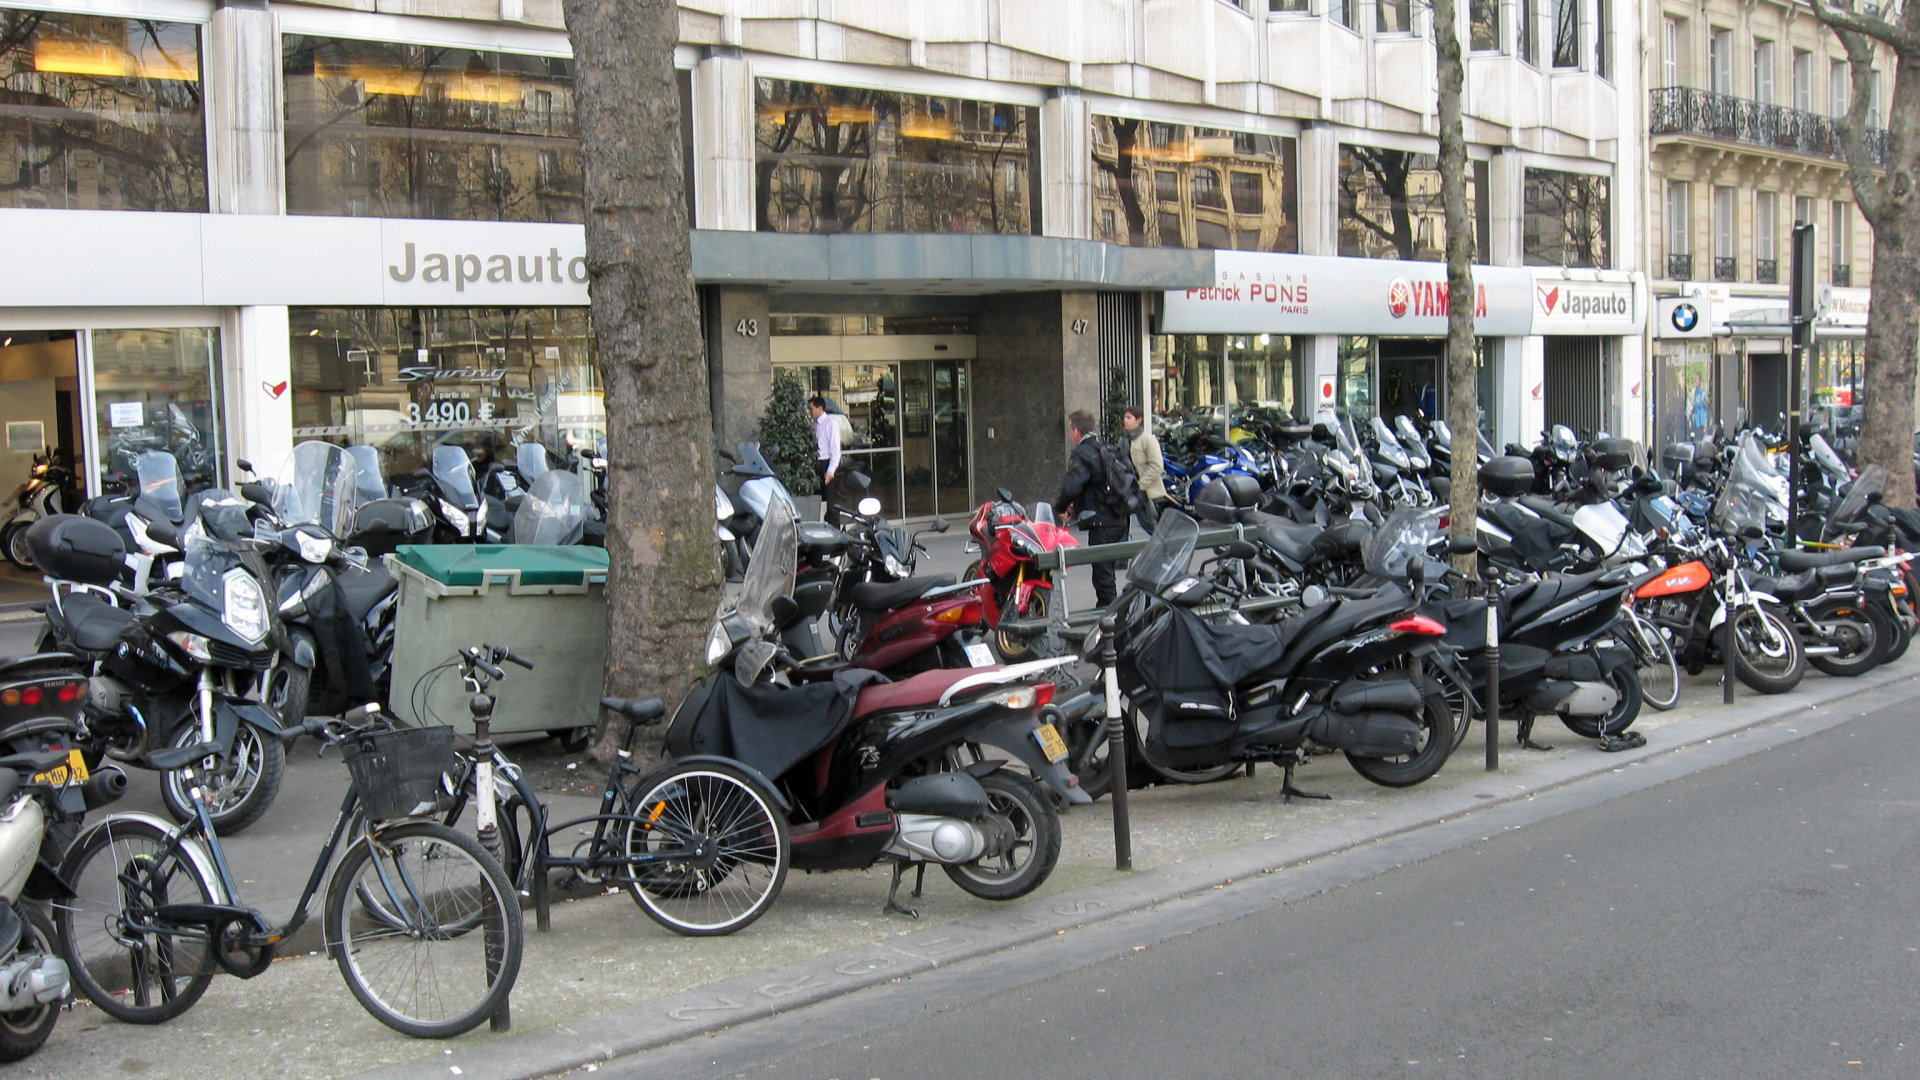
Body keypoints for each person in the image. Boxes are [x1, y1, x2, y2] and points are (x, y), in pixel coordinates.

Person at [1055, 409, 1128, 608]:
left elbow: (1072, 485)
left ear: (1076, 431)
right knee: (1107, 572)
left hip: (1101, 521)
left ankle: (1109, 617)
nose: (1070, 435)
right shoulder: (1106, 448)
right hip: (1118, 518)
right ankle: (1111, 612)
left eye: (1070, 430)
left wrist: (1060, 507)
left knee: (1103, 575)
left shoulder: (1083, 453)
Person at [1122, 404, 1171, 535]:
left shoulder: (1147, 439)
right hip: (1127, 487)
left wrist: (1141, 485)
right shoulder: (1124, 440)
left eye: (1129, 417)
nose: (1125, 420)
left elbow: (1156, 465)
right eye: (1125, 417)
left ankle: (1165, 544)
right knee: (1122, 523)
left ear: (1139, 420)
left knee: (1149, 523)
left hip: (1143, 489)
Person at [808, 395, 841, 525]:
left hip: (826, 464)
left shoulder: (830, 423)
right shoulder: (815, 424)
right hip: (816, 464)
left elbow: (835, 450)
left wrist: (831, 470)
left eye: (811, 409)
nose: (810, 412)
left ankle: (835, 531)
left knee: (831, 504)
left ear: (820, 408)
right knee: (817, 501)